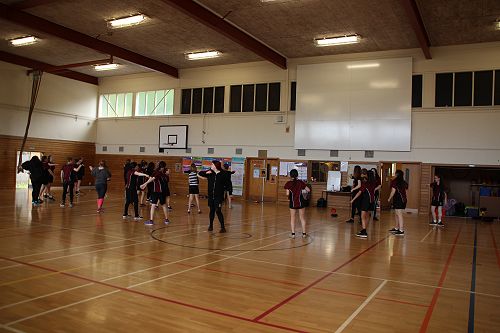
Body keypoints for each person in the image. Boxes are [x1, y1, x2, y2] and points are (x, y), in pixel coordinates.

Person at [198, 160, 231, 233]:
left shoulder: (223, 174)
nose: (211, 166)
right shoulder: (210, 173)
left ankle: (223, 227)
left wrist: (226, 191)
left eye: (212, 164)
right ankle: (211, 225)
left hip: (218, 197)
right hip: (211, 196)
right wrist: (206, 172)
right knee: (211, 211)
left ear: (216, 166)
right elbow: (200, 173)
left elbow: (228, 183)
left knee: (218, 211)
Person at [140, 161, 170, 226]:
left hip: (155, 191)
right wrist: (145, 185)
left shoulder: (157, 173)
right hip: (162, 192)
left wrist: (144, 184)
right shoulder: (163, 174)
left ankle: (151, 221)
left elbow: (152, 178)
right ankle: (166, 219)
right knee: (163, 205)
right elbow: (151, 178)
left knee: (153, 205)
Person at [351, 169, 377, 238]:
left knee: (362, 216)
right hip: (372, 201)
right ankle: (364, 229)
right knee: (368, 215)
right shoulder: (373, 183)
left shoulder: (365, 184)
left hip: (366, 201)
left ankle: (364, 231)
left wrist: (353, 199)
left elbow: (359, 192)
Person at [284, 168, 310, 239]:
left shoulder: (288, 183)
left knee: (292, 218)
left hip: (292, 203)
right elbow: (308, 190)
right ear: (297, 175)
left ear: (290, 175)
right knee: (302, 218)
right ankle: (304, 234)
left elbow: (287, 194)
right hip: (301, 202)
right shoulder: (300, 182)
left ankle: (293, 234)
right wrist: (303, 193)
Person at [387, 169, 408, 236]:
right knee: (396, 214)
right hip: (401, 200)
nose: (394, 174)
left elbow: (393, 191)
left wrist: (389, 198)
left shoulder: (395, 182)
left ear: (397, 175)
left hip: (399, 200)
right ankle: (396, 228)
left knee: (399, 214)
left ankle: (401, 230)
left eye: (395, 173)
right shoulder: (402, 182)